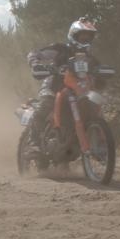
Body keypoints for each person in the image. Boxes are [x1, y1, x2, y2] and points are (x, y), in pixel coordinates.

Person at [23, 17, 99, 158]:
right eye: (82, 37)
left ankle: (93, 141)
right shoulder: (60, 49)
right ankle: (33, 143)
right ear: (73, 36)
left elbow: (98, 70)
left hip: (78, 90)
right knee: (45, 105)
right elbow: (35, 53)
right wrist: (35, 63)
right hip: (54, 86)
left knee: (94, 104)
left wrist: (102, 72)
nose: (85, 40)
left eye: (88, 37)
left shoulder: (90, 58)